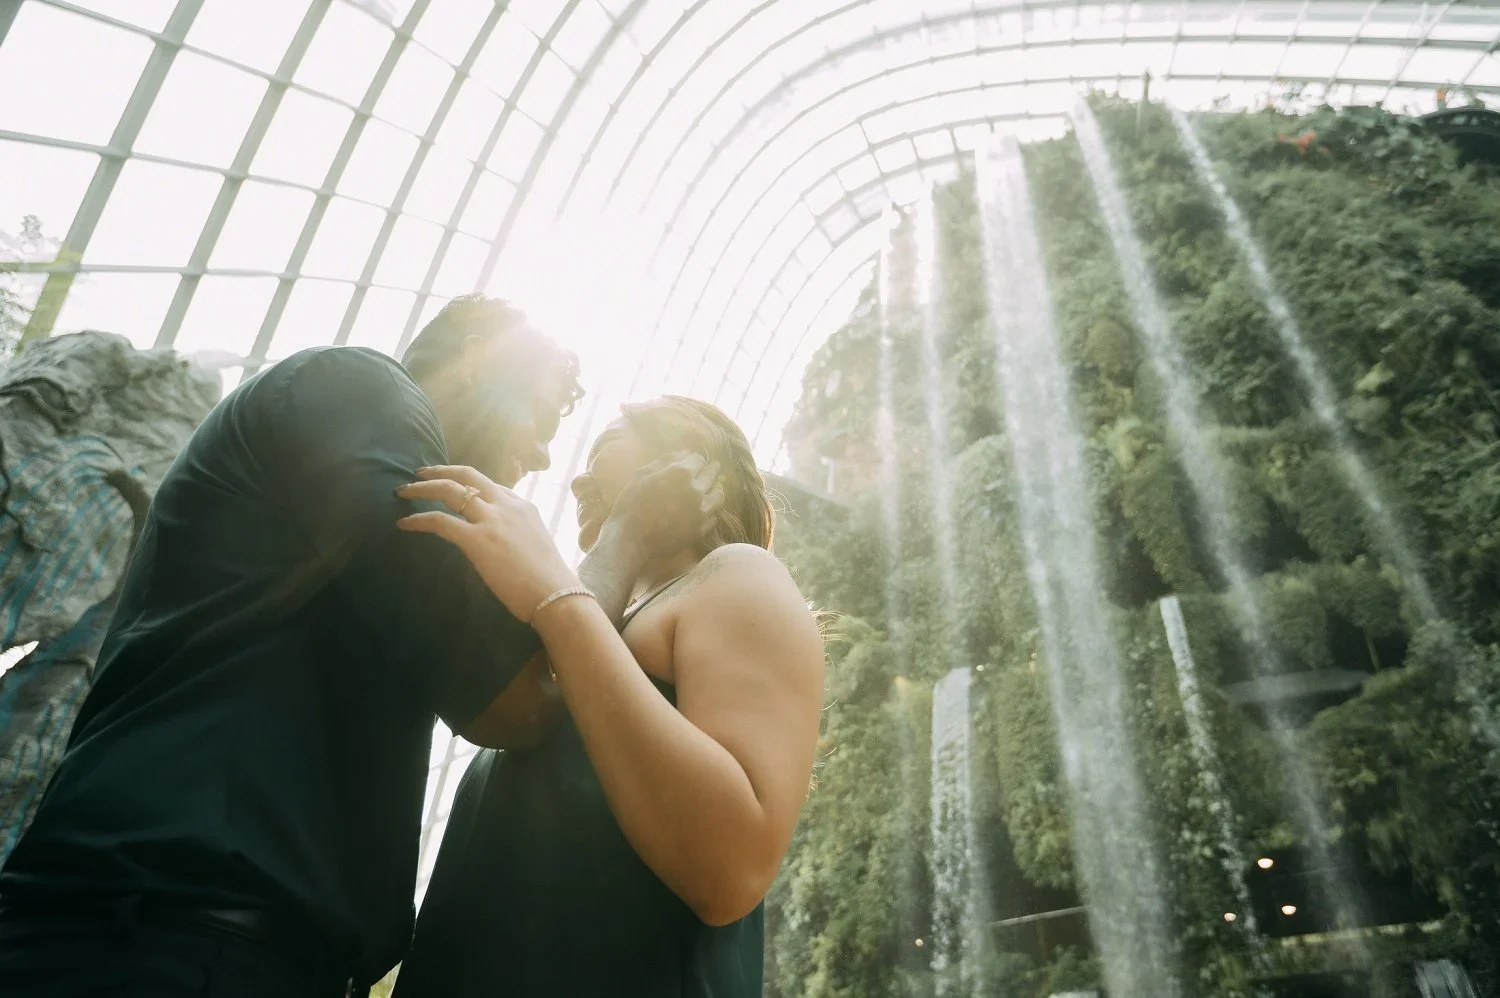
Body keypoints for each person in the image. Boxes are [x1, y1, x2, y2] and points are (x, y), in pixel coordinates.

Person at [0, 296, 605, 996]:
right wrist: (585, 585)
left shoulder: (347, 453)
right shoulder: (360, 391)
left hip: (171, 931)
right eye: (542, 410)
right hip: (167, 939)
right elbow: (513, 702)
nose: (543, 453)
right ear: (479, 359)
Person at [390, 396, 825, 998]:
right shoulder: (592, 636)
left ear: (690, 464)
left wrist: (557, 597)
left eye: (602, 449)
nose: (575, 479)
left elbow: (732, 869)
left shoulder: (737, 576)